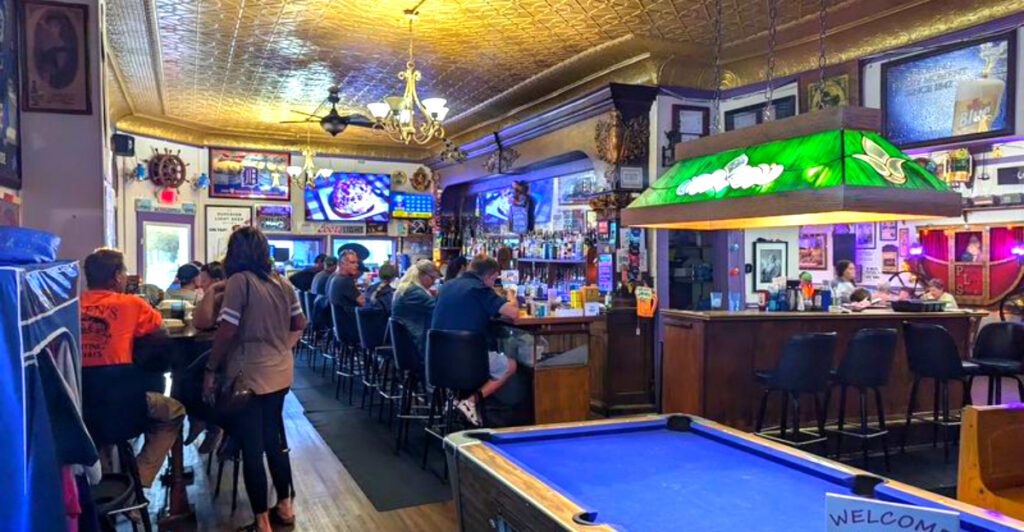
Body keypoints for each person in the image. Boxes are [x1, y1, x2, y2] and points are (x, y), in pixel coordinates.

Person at [202, 226, 305, 532]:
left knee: (251, 447)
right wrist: (281, 345)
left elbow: (227, 329)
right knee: (275, 441)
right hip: (281, 371)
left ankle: (261, 521)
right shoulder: (282, 282)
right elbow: (300, 322)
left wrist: (210, 368)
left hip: (249, 375)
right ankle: (285, 508)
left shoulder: (238, 282)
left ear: (235, 253)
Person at [80, 248, 184, 487]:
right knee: (174, 411)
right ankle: (137, 479)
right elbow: (162, 335)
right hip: (125, 407)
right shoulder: (132, 304)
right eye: (124, 272)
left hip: (79, 411)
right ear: (117, 276)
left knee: (102, 429)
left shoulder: (70, 306)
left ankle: (104, 486)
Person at [432, 256, 520, 426]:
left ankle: (455, 402)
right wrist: (511, 295)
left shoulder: (447, 285)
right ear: (490, 276)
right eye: (494, 279)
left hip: (437, 360)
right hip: (466, 361)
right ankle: (470, 402)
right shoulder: (480, 290)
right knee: (510, 366)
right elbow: (513, 313)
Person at [391, 260, 440, 362]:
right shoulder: (414, 292)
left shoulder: (407, 288)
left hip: (405, 342)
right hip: (413, 345)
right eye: (432, 278)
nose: (433, 282)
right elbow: (437, 308)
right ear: (422, 275)